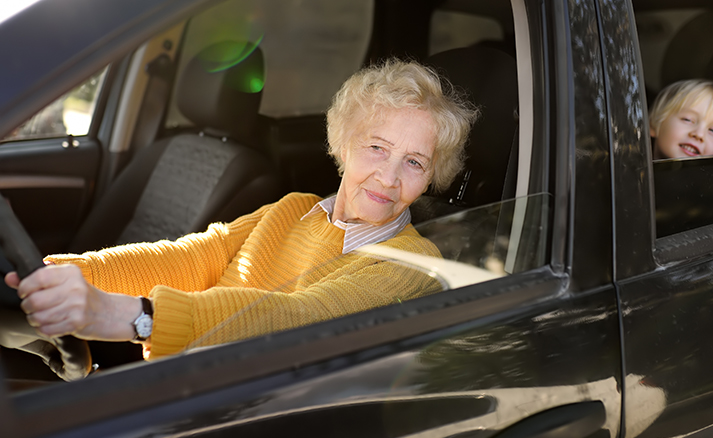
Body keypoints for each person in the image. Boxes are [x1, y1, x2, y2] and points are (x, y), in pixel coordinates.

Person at [3, 59, 479, 361]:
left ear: (430, 176)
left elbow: (298, 316)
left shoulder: (413, 264)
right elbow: (190, 257)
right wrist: (61, 275)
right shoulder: (293, 210)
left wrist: (134, 317)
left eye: (414, 162)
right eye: (377, 147)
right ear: (343, 142)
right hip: (188, 375)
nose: (389, 177)